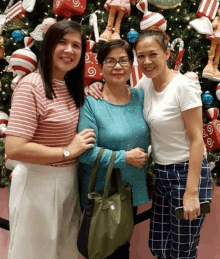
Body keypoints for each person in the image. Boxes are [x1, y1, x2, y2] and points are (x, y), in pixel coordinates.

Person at [86, 28, 213, 259]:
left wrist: (192, 192)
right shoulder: (144, 86)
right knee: (158, 247)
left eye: (153, 54)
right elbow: (120, 96)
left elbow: (197, 140)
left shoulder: (184, 87)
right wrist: (95, 85)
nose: (146, 61)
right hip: (163, 174)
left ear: (167, 53)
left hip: (188, 172)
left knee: (181, 252)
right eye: (141, 56)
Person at [5, 20, 96, 259]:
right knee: (35, 254)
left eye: (76, 45)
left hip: (67, 182)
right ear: (48, 47)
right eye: (62, 43)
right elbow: (14, 148)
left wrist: (96, 90)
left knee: (64, 252)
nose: (69, 50)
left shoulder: (68, 86)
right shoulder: (30, 87)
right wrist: (67, 151)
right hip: (38, 184)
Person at [78, 39, 150, 258]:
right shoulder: (91, 102)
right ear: (100, 67)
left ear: (131, 65)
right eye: (110, 61)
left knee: (123, 248)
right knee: (103, 252)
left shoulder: (140, 97)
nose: (117, 66)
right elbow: (85, 152)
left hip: (132, 189)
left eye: (123, 60)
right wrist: (124, 158)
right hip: (102, 193)